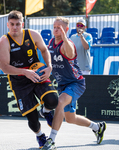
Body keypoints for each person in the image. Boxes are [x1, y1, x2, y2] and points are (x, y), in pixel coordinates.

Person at [41, 17, 106, 150]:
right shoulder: (51, 42)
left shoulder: (68, 44)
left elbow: (70, 53)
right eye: (54, 26)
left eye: (59, 27)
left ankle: (51, 140)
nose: (56, 29)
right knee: (70, 118)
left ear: (66, 29)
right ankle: (98, 127)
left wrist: (65, 38)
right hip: (63, 84)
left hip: (76, 83)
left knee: (60, 102)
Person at [0, 10, 58, 149]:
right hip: (19, 80)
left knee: (53, 100)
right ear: (8, 24)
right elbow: (5, 67)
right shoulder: (4, 41)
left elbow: (44, 50)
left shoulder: (32, 34)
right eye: (12, 24)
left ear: (22, 24)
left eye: (17, 24)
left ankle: (46, 111)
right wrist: (25, 72)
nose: (15, 27)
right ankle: (40, 136)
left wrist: (49, 67)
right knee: (32, 119)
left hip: (36, 73)